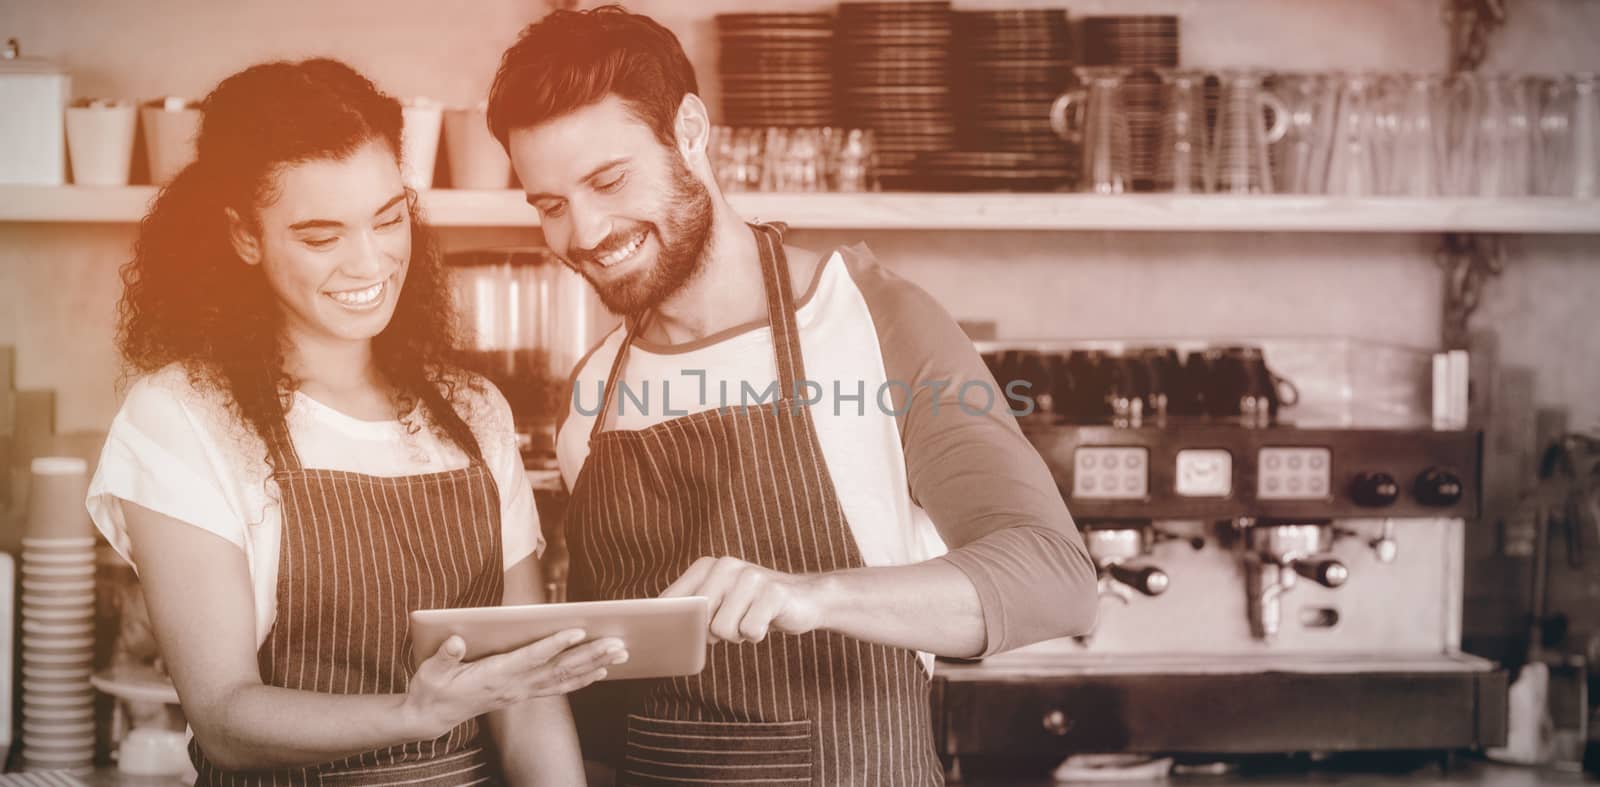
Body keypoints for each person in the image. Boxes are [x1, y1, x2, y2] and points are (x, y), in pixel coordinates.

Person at [485, 7, 1100, 784]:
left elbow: (1057, 579)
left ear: (691, 131)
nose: (585, 231)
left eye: (608, 180)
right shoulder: (594, 394)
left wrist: (813, 596)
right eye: (549, 204)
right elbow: (603, 702)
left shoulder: (874, 321)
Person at [87, 58, 627, 785]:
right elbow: (224, 716)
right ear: (244, 235)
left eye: (388, 218)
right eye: (321, 236)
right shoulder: (184, 416)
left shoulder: (471, 413)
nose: (370, 260)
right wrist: (414, 712)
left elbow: (527, 698)